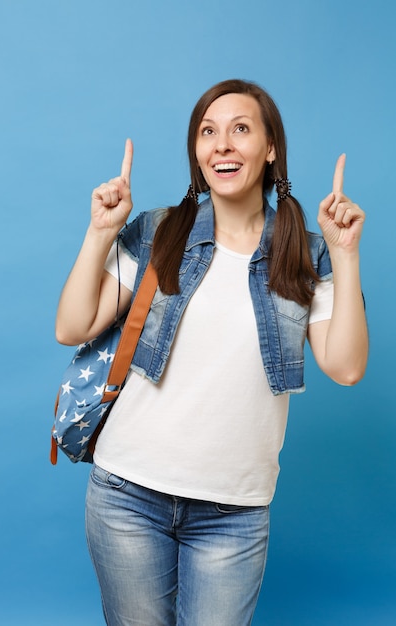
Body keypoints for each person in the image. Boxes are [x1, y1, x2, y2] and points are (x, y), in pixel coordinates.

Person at [56, 79, 368, 626]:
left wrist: (345, 257)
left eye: (240, 130)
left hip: (235, 513)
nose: (221, 144)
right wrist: (100, 232)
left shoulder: (304, 254)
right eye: (208, 132)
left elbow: (345, 367)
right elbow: (72, 325)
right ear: (197, 153)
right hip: (128, 496)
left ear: (270, 148)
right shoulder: (159, 233)